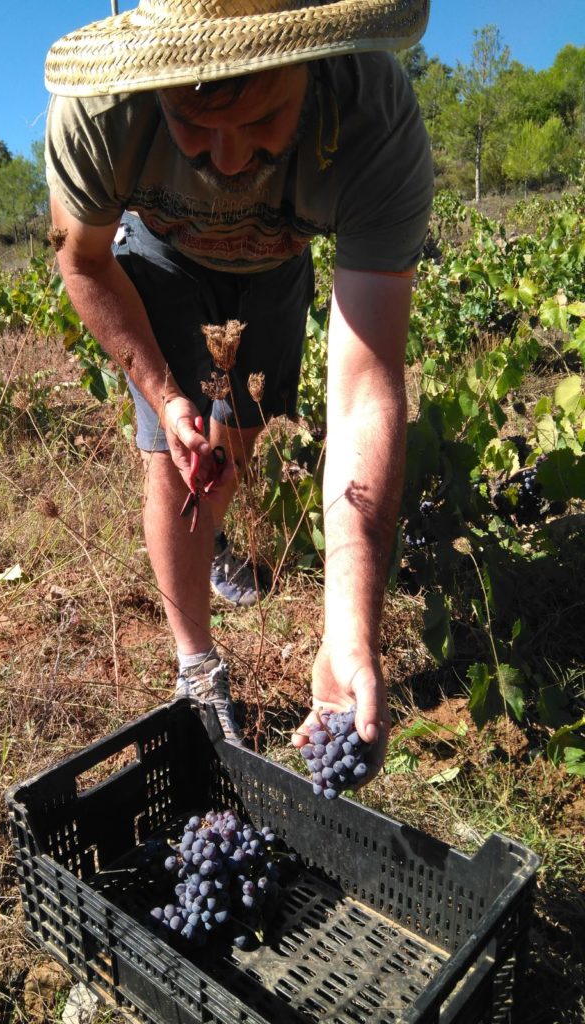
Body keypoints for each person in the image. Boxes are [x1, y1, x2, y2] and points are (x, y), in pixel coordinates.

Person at [44, 0, 433, 766]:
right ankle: (196, 664)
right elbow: (82, 261)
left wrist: (349, 629)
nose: (226, 162)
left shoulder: (373, 119)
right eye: (193, 128)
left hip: (278, 266)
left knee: (234, 448)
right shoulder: (99, 112)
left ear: (310, 63)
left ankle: (212, 535)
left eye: (260, 125)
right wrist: (166, 395)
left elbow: (364, 388)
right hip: (155, 256)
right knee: (175, 456)